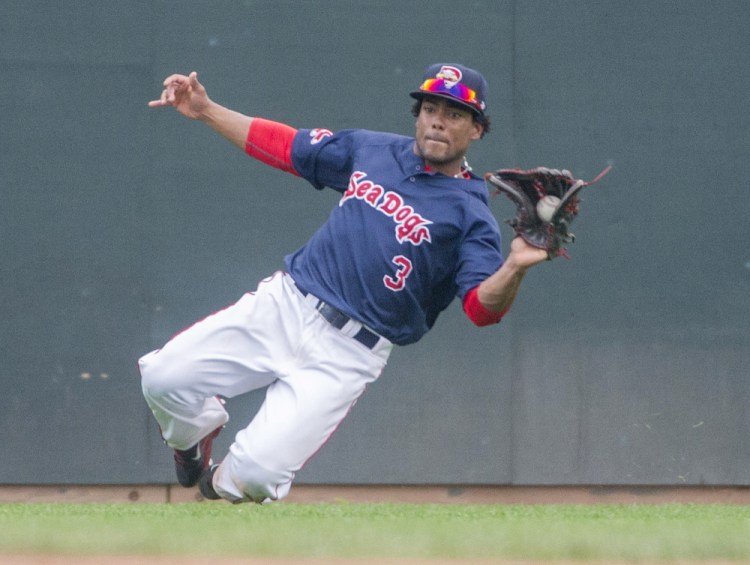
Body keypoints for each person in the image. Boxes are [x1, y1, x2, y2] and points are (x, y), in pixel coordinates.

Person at [140, 63, 549, 504]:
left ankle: (215, 487)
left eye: (454, 114)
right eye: (431, 108)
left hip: (348, 354)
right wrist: (205, 109)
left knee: (255, 476)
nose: (437, 120)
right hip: (288, 304)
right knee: (164, 378)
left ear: (477, 130)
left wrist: (515, 267)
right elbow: (287, 146)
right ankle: (193, 438)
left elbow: (482, 309)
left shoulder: (473, 215)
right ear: (418, 114)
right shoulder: (372, 150)